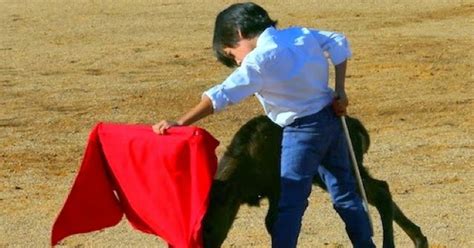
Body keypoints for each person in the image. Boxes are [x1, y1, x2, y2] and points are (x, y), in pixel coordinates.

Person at [153, 2, 374, 248]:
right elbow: (338, 41)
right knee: (345, 192)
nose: (237, 62)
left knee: (289, 203)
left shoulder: (258, 61)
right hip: (331, 121)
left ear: (238, 33)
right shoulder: (299, 34)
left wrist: (181, 122)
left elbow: (221, 95)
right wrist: (341, 91)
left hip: (301, 133)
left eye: (231, 54)